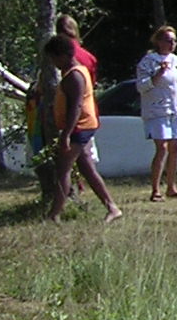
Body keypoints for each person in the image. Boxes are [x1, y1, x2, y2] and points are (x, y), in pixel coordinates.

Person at [43, 33, 121, 223]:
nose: (53, 63)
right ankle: (112, 207)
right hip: (82, 126)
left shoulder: (74, 76)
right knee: (86, 168)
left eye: (53, 58)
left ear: (62, 55)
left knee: (63, 170)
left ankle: (54, 215)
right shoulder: (76, 71)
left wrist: (66, 135)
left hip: (80, 127)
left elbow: (76, 107)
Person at [136, 25, 177, 200]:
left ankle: (171, 186)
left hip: (176, 110)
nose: (172, 43)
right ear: (158, 41)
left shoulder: (175, 59)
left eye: (174, 40)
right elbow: (142, 86)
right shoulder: (148, 61)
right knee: (162, 147)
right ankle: (155, 189)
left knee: (176, 147)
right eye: (168, 40)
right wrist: (159, 73)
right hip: (157, 110)